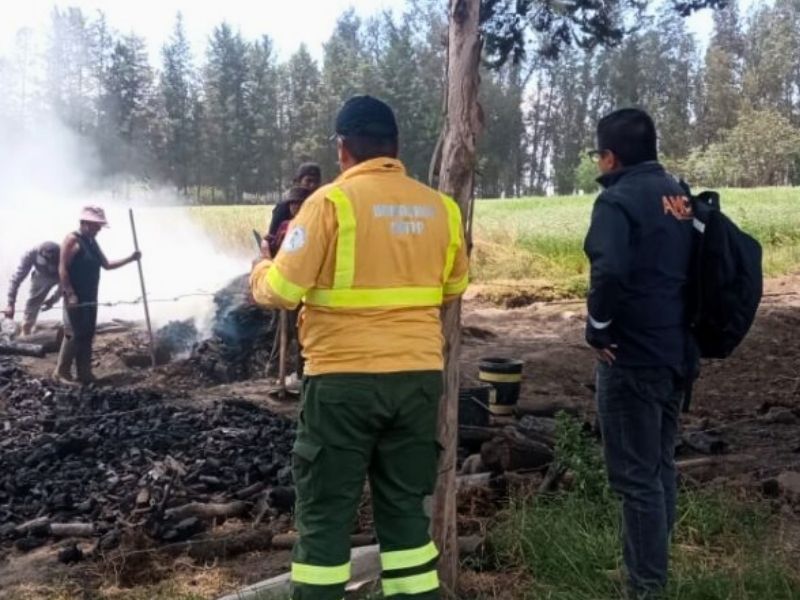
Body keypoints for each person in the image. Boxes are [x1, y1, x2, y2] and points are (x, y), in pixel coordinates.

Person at [250, 95, 469, 600]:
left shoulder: (330, 203)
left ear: (343, 148)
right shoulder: (442, 209)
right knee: (405, 519)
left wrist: (261, 268)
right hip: (417, 380)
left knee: (326, 515)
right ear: (396, 148)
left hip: (342, 382)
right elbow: (453, 288)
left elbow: (281, 291)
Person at [583, 108, 694, 599]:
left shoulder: (618, 200)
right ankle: (646, 565)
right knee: (660, 466)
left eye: (598, 155)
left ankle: (646, 586)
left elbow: (608, 271)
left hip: (631, 356)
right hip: (677, 352)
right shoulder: (679, 195)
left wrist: (599, 329)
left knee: (635, 479)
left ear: (610, 156)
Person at [53, 206, 141, 385]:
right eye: (96, 225)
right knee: (73, 333)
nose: (99, 229)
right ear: (84, 223)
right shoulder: (72, 240)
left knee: (87, 333)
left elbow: (107, 265)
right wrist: (70, 293)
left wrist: (131, 258)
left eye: (100, 226)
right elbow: (62, 268)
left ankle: (84, 372)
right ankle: (61, 373)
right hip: (75, 296)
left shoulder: (92, 242)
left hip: (91, 295)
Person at [3, 242, 62, 335]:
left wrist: (53, 300)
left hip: (62, 274)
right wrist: (10, 303)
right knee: (33, 302)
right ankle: (26, 329)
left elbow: (67, 283)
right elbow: (17, 278)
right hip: (41, 275)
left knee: (70, 295)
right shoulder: (31, 254)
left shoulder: (66, 255)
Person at [267, 162, 322, 250]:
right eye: (309, 181)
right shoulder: (283, 208)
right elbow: (271, 240)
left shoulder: (322, 207)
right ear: (297, 182)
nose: (313, 186)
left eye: (316, 182)